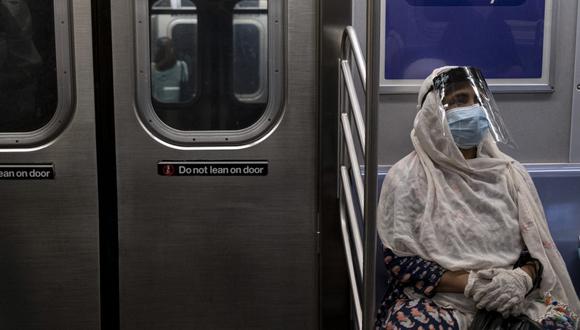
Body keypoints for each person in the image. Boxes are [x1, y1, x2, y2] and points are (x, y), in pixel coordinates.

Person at [376, 66, 580, 330]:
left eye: (478, 100)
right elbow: (399, 261)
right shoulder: (407, 177)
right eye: (460, 100)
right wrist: (472, 284)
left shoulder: (510, 175)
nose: (473, 109)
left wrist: (520, 280)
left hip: (511, 296)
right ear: (432, 112)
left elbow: (536, 253)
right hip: (437, 301)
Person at [151, 36, 189, 103]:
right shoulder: (150, 68)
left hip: (174, 105)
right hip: (158, 105)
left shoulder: (182, 66)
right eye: (163, 49)